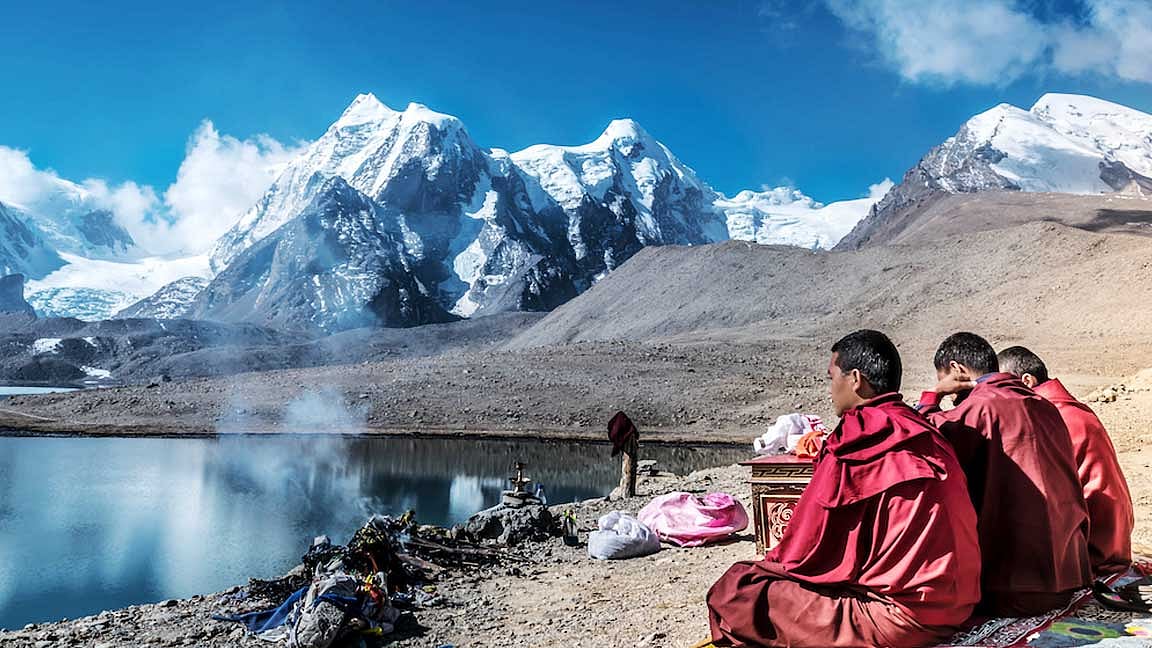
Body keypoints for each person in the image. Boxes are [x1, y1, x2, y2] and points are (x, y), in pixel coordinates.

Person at [706, 330, 980, 647]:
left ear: (855, 379)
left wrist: (769, 569)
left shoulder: (854, 440)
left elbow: (805, 553)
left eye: (832, 377)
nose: (830, 390)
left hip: (898, 619)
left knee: (737, 589)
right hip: (958, 605)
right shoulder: (928, 432)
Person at [918, 332, 1091, 616]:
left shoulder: (980, 407)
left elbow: (917, 439)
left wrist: (932, 396)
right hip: (1069, 577)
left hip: (1014, 590)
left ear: (956, 370)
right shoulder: (1044, 404)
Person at [998, 345, 1134, 575]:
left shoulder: (1053, 416)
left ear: (1027, 381)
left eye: (1005, 386)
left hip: (1096, 543)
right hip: (1114, 530)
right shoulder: (1069, 408)